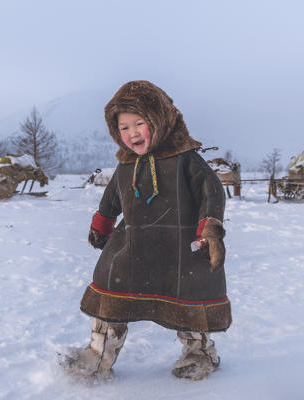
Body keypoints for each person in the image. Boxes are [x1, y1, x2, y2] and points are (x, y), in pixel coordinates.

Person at [60, 80, 231, 381]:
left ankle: (199, 352)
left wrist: (210, 231)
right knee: (110, 291)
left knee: (187, 302)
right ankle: (97, 357)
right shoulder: (127, 165)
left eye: (139, 123)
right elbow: (112, 196)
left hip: (181, 248)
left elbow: (211, 193)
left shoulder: (185, 160)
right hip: (133, 244)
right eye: (123, 127)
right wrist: (102, 222)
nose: (132, 133)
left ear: (159, 120)